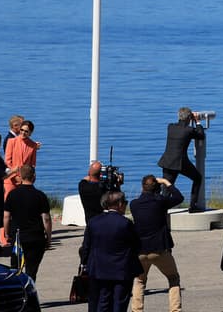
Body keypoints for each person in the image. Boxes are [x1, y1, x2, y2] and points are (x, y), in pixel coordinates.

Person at [80, 190, 143, 312]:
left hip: (99, 269)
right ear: (119, 204)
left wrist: (84, 264)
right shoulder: (125, 223)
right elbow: (137, 245)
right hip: (121, 270)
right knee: (119, 303)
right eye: (125, 202)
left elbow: (86, 246)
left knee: (102, 302)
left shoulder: (94, 222)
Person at [130, 174, 184, 312]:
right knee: (173, 278)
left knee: (140, 280)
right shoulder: (160, 201)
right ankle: (175, 310)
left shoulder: (134, 204)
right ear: (157, 189)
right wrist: (166, 182)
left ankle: (137, 310)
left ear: (142, 187)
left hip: (140, 250)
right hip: (159, 248)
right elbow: (179, 197)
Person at [2, 164, 51, 279]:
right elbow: (46, 219)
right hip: (35, 236)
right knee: (32, 270)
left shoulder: (12, 194)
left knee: (15, 269)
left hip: (18, 237)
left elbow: (6, 216)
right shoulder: (40, 196)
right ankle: (29, 291)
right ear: (34, 176)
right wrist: (48, 237)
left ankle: (16, 292)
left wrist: (7, 232)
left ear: (20, 177)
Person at [157, 108, 205, 211]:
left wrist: (191, 121)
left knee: (166, 188)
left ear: (179, 116)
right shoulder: (189, 130)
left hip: (167, 162)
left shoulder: (170, 127)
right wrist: (197, 121)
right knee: (197, 178)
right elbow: (201, 135)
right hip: (181, 162)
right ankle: (193, 206)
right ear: (189, 118)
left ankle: (161, 211)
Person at [4, 119, 40, 217]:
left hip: (25, 181)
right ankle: (5, 232)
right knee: (7, 207)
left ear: (30, 133)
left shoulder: (33, 145)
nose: (23, 133)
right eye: (22, 130)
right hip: (11, 179)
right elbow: (7, 161)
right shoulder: (11, 141)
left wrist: (28, 178)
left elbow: (32, 164)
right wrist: (15, 175)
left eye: (26, 131)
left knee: (22, 207)